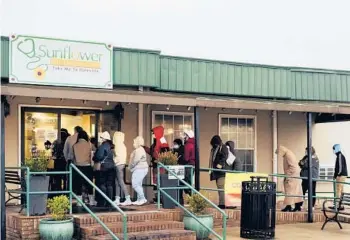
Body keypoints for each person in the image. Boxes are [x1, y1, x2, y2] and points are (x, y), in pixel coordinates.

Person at [275, 145, 303, 212]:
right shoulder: (288, 154)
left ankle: (292, 206)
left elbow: (292, 167)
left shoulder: (288, 155)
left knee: (290, 192)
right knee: (294, 192)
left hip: (291, 176)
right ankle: (291, 206)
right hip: (292, 175)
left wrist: (287, 175)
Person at [94, 131, 116, 207]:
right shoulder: (112, 146)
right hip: (112, 167)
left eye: (101, 138)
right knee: (109, 185)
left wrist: (94, 158)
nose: (101, 139)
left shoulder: (102, 147)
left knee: (102, 184)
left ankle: (102, 201)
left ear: (104, 139)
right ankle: (109, 201)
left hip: (104, 167)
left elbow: (98, 157)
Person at [72, 130, 94, 206]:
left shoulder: (74, 145)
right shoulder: (89, 145)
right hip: (87, 166)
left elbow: (72, 157)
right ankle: (91, 200)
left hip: (77, 166)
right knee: (89, 184)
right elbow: (92, 156)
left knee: (79, 185)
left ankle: (79, 202)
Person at [209, 135, 229, 209]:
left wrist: (219, 166)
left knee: (221, 187)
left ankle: (222, 204)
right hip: (217, 172)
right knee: (219, 187)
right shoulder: (216, 148)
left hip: (221, 172)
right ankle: (221, 203)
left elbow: (224, 157)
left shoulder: (223, 147)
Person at [113, 131, 131, 206]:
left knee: (120, 182)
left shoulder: (118, 146)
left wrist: (113, 160)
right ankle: (117, 198)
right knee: (117, 182)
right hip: (121, 164)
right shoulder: (122, 145)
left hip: (118, 164)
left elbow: (117, 157)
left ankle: (127, 198)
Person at [129, 136, 149, 205]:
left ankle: (142, 198)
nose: (133, 143)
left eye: (134, 142)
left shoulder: (138, 150)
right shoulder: (141, 149)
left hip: (140, 168)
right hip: (142, 168)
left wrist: (131, 167)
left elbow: (135, 160)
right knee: (139, 184)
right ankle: (139, 199)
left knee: (135, 184)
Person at [51, 129, 70, 195]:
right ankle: (65, 190)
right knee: (65, 177)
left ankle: (58, 189)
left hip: (58, 161)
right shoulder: (67, 142)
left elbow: (53, 152)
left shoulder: (56, 142)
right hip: (65, 161)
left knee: (58, 177)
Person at [331, 144, 348, 210]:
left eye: (334, 149)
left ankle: (337, 206)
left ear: (337, 149)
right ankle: (340, 205)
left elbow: (340, 168)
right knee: (341, 190)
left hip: (340, 175)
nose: (333, 151)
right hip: (342, 175)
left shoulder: (340, 156)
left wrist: (336, 175)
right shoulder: (340, 156)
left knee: (338, 190)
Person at [172, 138, 187, 205]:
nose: (174, 145)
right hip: (176, 167)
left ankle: (180, 200)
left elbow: (181, 158)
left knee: (180, 184)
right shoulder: (175, 149)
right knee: (176, 184)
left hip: (180, 167)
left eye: (175, 144)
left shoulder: (182, 149)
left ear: (179, 144)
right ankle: (178, 200)